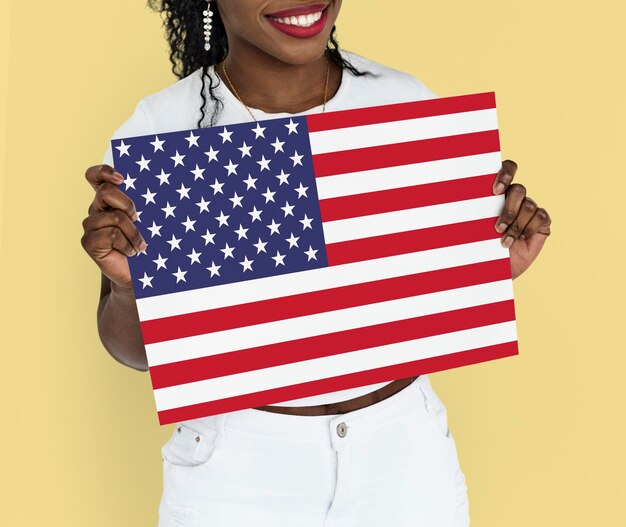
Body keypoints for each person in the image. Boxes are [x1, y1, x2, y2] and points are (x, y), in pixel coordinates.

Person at [80, 1, 553, 525]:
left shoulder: (403, 100)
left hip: (406, 454)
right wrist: (126, 288)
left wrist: (491, 261)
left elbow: (404, 302)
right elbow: (137, 354)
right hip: (240, 472)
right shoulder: (157, 128)